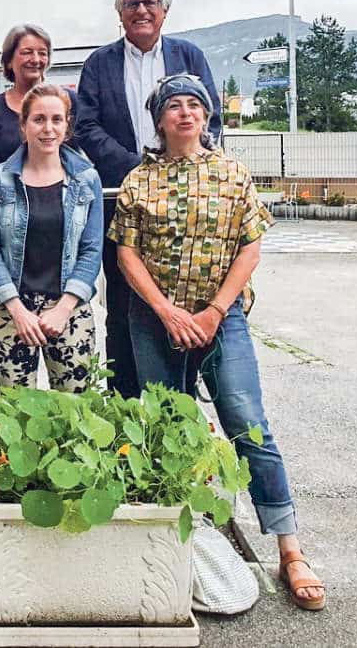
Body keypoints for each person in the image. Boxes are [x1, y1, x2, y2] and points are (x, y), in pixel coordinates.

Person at [108, 73, 326, 612]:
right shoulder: (139, 180)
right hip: (156, 320)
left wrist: (212, 311)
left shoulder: (234, 175)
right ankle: (187, 539)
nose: (185, 113)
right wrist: (166, 310)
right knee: (168, 429)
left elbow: (250, 247)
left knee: (246, 420)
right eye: (174, 106)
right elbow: (126, 254)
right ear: (159, 119)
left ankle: (289, 546)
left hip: (220, 318)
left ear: (207, 116)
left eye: (194, 106)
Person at [75, 0, 222, 399]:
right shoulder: (98, 64)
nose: (141, 10)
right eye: (131, 3)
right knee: (122, 308)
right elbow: (86, 125)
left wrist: (180, 168)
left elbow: (211, 118)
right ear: (119, 13)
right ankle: (123, 404)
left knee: (182, 300)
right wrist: (139, 170)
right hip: (122, 200)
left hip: (184, 207)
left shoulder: (189, 57)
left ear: (165, 10)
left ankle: (182, 404)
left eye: (149, 3)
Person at [0, 84, 103, 391]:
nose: (48, 128)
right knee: (18, 415)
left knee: (75, 413)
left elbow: (91, 249)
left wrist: (63, 308)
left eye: (56, 120)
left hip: (68, 310)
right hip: (10, 311)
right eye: (38, 119)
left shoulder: (87, 180)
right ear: (23, 125)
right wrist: (18, 310)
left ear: (67, 125)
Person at [0, 23, 77, 170]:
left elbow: (78, 156)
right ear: (9, 60)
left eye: (42, 53)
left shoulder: (69, 99)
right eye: (27, 52)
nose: (36, 59)